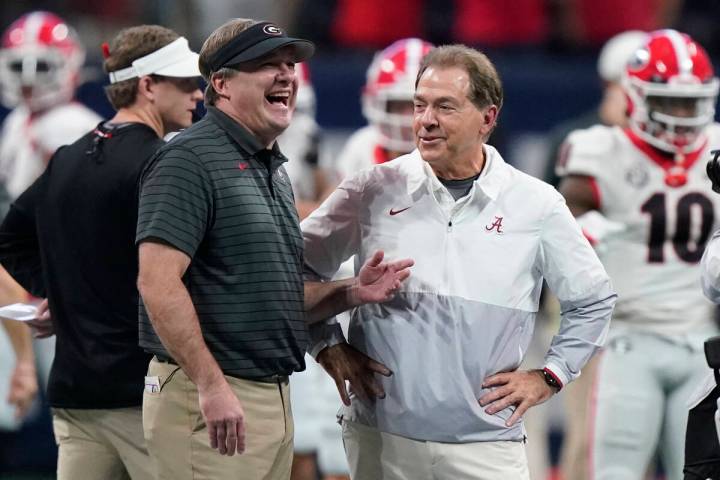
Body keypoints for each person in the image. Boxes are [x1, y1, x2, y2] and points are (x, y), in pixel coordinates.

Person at [302, 43, 616, 480]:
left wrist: (550, 375)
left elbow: (594, 300)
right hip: (383, 437)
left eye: (445, 107)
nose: (425, 120)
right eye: (420, 105)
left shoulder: (536, 203)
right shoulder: (370, 189)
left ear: (488, 118)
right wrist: (327, 345)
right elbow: (294, 268)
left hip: (487, 443)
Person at [135, 18, 413, 480]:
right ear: (221, 83)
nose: (287, 74)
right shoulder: (189, 158)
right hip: (211, 393)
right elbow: (156, 281)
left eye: (289, 64)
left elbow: (272, 296)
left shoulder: (271, 167)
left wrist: (350, 292)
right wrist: (210, 384)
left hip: (268, 394)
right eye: (267, 64)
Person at [0, 24, 204, 480]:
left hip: (76, 392)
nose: (198, 92)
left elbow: (9, 240)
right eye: (186, 82)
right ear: (148, 86)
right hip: (146, 392)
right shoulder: (165, 161)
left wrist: (64, 296)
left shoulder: (70, 155)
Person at [556, 29, 720, 480]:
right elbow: (565, 212)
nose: (683, 116)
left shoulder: (716, 148)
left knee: (705, 471)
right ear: (635, 96)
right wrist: (584, 230)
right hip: (627, 339)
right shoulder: (602, 149)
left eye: (690, 103)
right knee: (616, 471)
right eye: (670, 102)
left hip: (702, 344)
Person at [336, 37, 433, 180]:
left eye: (419, 106)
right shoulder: (362, 148)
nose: (408, 117)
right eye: (399, 106)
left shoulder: (459, 152)